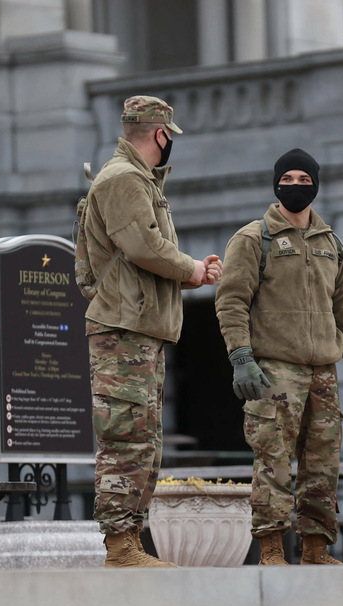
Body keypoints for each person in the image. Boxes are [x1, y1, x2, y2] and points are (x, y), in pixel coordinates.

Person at [83, 95, 223, 567]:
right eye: (169, 138)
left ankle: (129, 543)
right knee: (126, 436)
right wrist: (193, 272)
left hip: (138, 327)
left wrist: (189, 267)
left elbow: (145, 246)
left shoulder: (137, 180)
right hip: (123, 328)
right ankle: (121, 546)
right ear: (162, 134)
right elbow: (144, 245)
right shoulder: (124, 179)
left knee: (142, 436)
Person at [215, 148, 343, 565]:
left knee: (323, 464)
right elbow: (231, 301)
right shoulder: (253, 238)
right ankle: (271, 548)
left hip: (323, 370)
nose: (296, 187)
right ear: (276, 183)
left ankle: (316, 548)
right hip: (274, 369)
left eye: (305, 180)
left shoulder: (332, 244)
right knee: (273, 461)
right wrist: (241, 357)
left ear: (316, 185)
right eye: (289, 179)